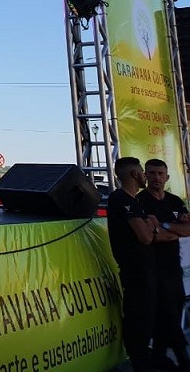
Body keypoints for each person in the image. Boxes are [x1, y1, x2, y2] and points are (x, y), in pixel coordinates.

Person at [107, 156, 173, 372]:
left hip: (146, 270)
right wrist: (153, 227)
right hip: (136, 273)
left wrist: (153, 226)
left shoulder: (134, 201)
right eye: (144, 173)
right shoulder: (121, 199)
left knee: (149, 317)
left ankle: (151, 358)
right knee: (139, 320)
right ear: (135, 174)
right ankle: (141, 363)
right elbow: (145, 236)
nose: (146, 177)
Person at [137, 158, 190, 371]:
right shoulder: (140, 201)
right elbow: (151, 236)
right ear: (145, 175)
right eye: (152, 173)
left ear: (167, 177)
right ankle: (182, 358)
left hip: (173, 267)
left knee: (174, 309)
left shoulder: (175, 201)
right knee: (165, 313)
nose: (156, 178)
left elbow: (188, 230)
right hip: (152, 268)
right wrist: (174, 230)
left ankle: (159, 357)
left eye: (160, 174)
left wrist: (164, 225)